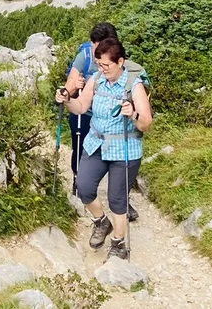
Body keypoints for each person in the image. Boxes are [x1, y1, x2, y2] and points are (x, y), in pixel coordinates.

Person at [56, 37, 152, 260]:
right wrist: (67, 98)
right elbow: (81, 107)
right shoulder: (96, 80)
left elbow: (146, 123)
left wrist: (133, 114)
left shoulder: (133, 86)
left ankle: (118, 244)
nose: (102, 69)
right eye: (99, 64)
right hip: (96, 142)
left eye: (106, 65)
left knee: (117, 198)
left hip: (124, 148)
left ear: (120, 61)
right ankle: (101, 222)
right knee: (84, 186)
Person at [62, 22, 140, 221]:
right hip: (86, 114)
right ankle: (79, 182)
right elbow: (69, 87)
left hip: (114, 122)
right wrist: (72, 90)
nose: (98, 50)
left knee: (117, 163)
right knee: (81, 147)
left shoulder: (117, 59)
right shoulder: (85, 56)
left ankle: (121, 200)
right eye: (95, 44)